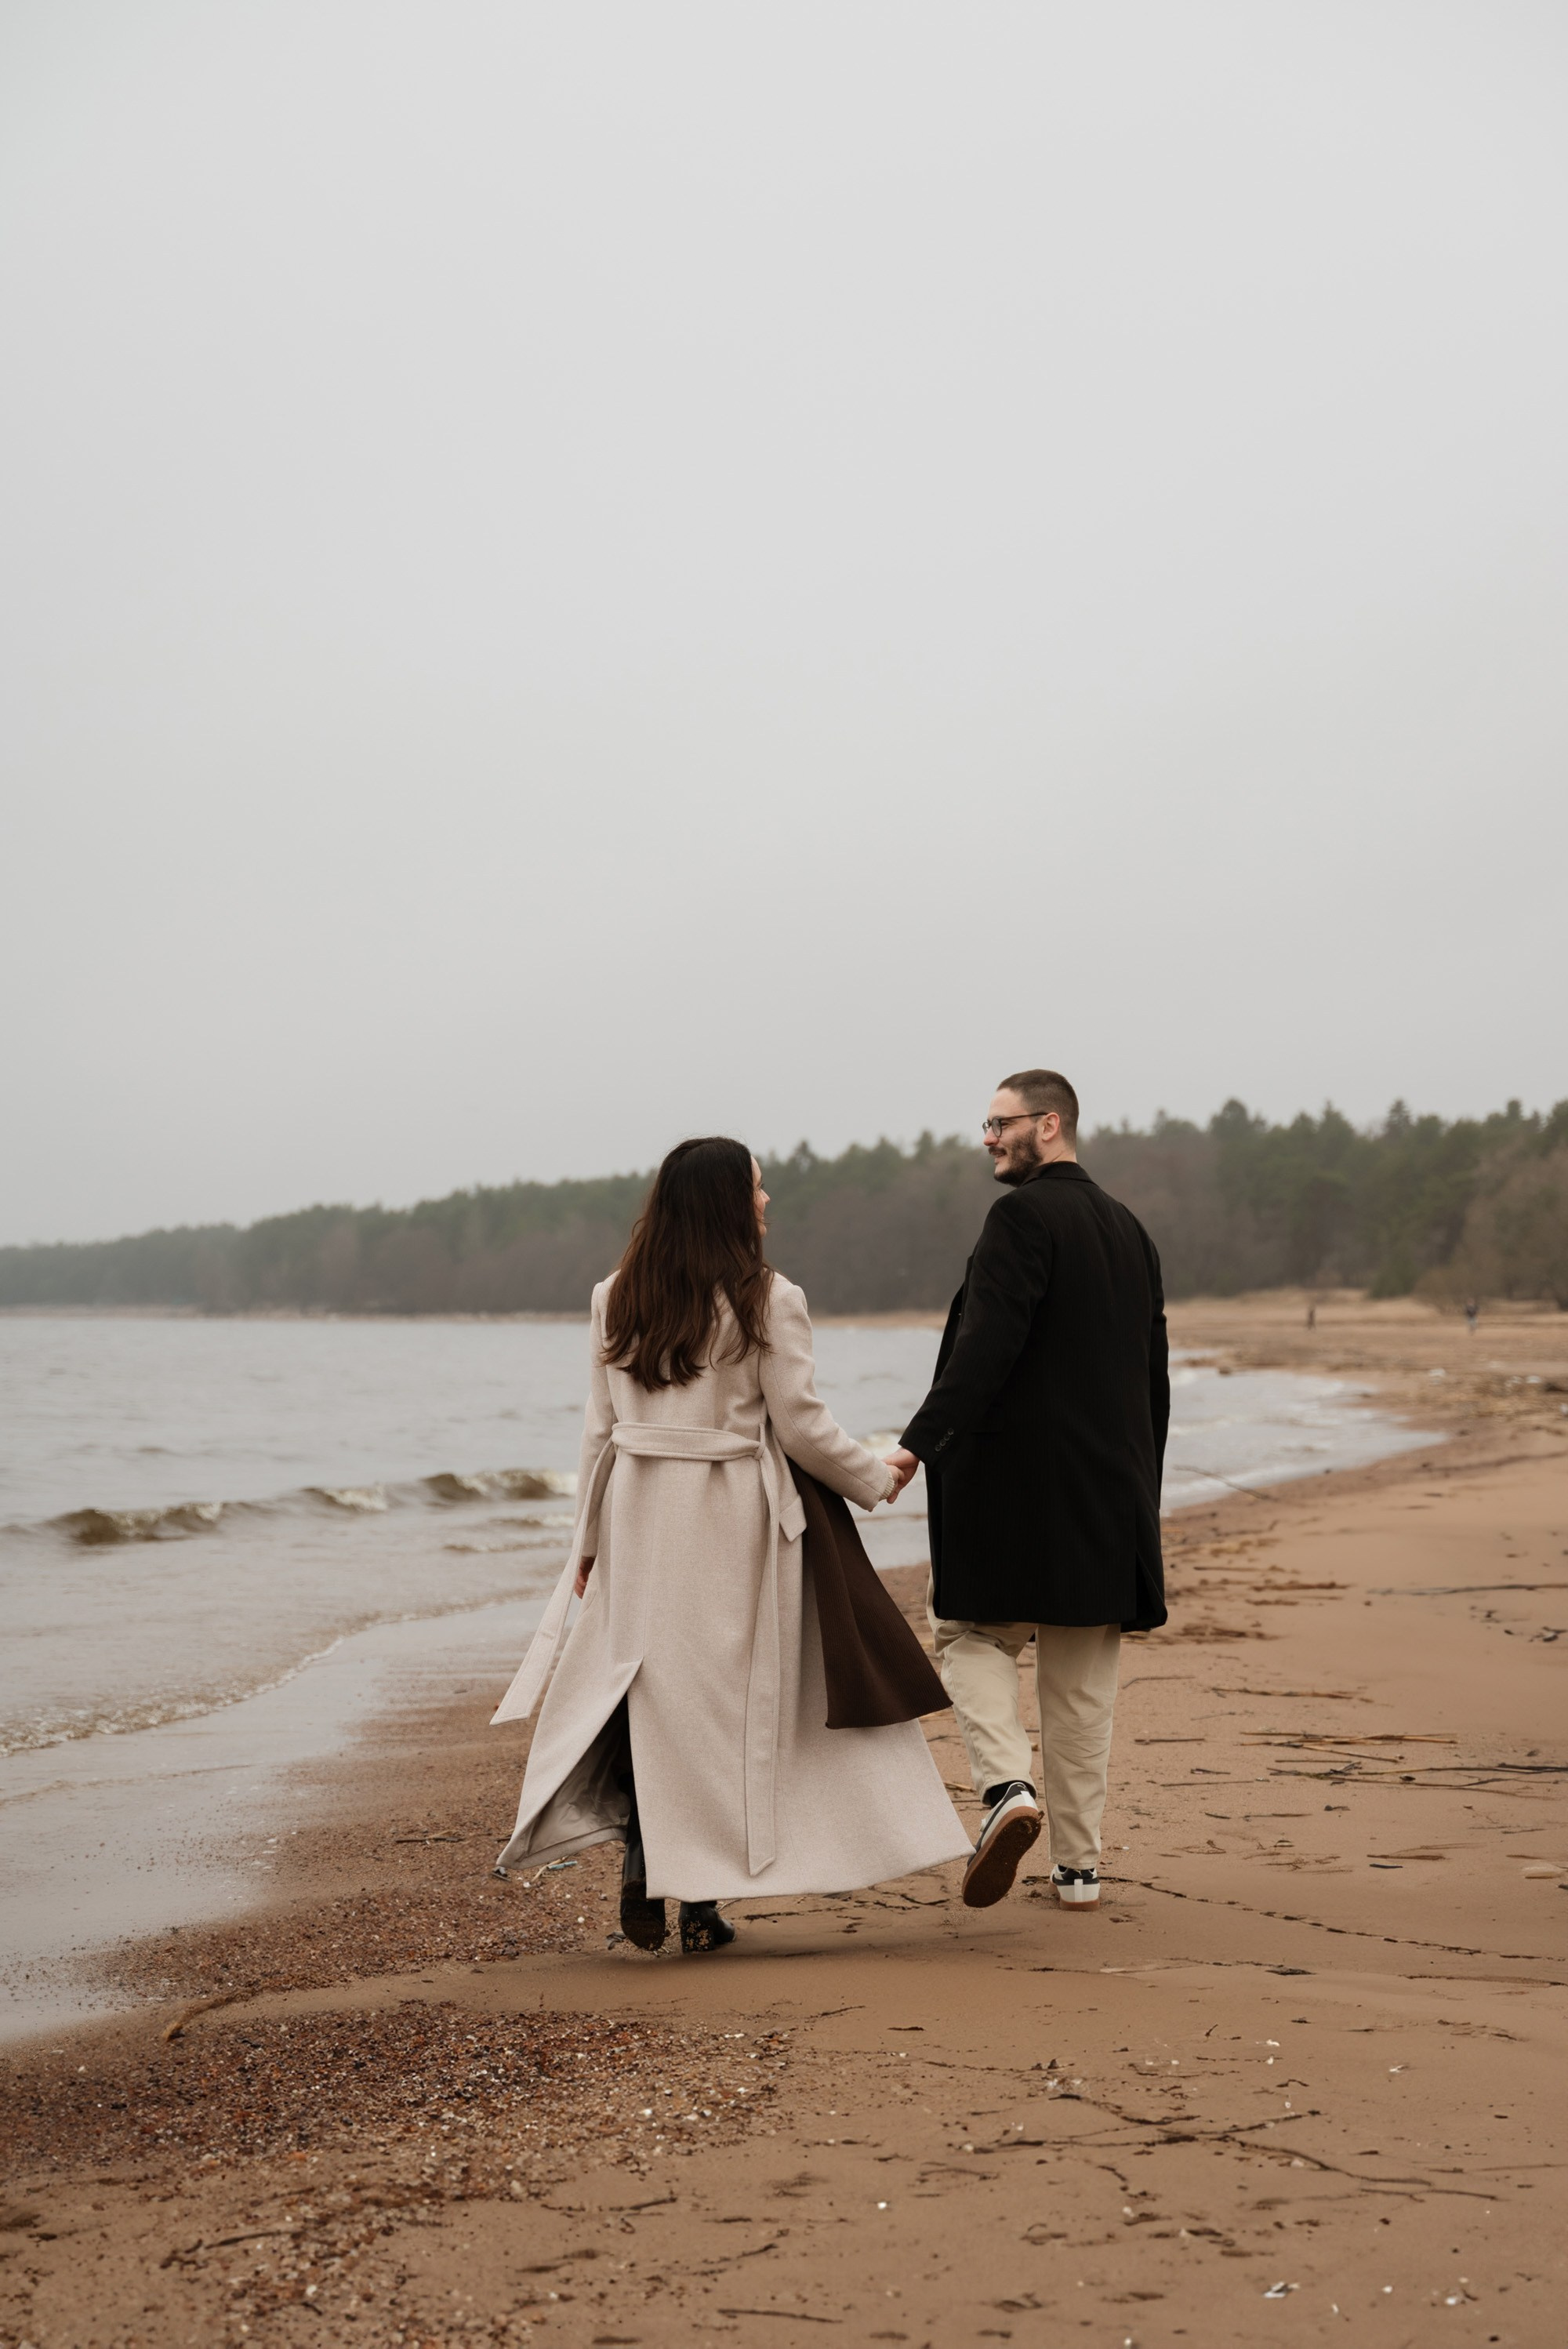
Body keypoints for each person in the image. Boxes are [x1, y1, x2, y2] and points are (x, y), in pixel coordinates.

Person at [492, 1137, 971, 1955]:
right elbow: (801, 1425)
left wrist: (589, 1537)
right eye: (755, 1185)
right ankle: (698, 1898)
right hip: (730, 1520)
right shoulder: (767, 1297)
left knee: (651, 1699)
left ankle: (654, 1863)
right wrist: (876, 1473)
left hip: (642, 1516)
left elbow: (599, 1431)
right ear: (723, 1200)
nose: (766, 1198)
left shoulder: (615, 1296)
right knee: (720, 1709)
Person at [884, 1069, 1168, 1913]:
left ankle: (1006, 1787)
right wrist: (1139, 1492)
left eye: (998, 1122)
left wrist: (915, 1445)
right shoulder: (1129, 1229)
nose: (986, 1136)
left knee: (966, 1627)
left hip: (1013, 1491)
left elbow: (986, 1347)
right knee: (1081, 1684)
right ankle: (1078, 1869)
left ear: (1047, 1124)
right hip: (1106, 1494)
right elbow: (1150, 1376)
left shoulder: (1019, 1216)